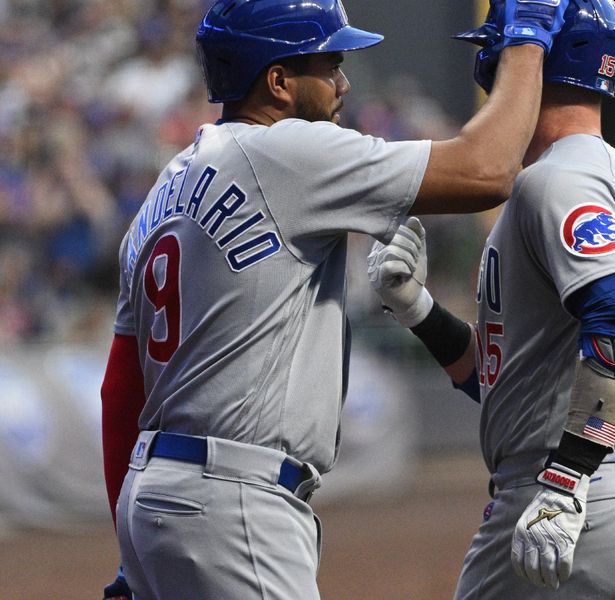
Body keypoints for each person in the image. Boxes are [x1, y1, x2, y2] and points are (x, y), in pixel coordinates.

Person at [99, 0, 572, 598]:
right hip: (237, 500)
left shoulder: (165, 189)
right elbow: (486, 171)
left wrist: (128, 547)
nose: (344, 83)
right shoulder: (286, 151)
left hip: (154, 495)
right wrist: (528, 41)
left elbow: (122, 389)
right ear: (278, 82)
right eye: (330, 65)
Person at [368, 1, 615, 598]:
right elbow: (512, 381)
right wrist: (419, 311)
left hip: (584, 496)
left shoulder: (554, 179)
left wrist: (567, 479)